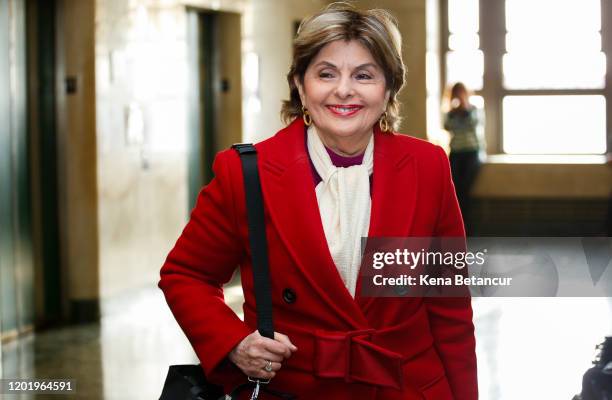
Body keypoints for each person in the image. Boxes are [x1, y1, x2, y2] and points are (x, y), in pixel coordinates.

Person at [159, 3, 478, 399]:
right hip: (295, 389)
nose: (343, 89)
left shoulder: (428, 166)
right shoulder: (245, 173)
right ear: (299, 83)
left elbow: (450, 309)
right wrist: (234, 343)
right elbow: (185, 274)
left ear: (389, 87)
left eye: (364, 75)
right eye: (326, 73)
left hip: (409, 387)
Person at [443, 82, 483, 232]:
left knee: (466, 187)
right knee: (455, 188)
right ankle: (456, 225)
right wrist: (455, 111)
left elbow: (474, 124)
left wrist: (465, 108)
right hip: (456, 152)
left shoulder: (474, 110)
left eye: (461, 92)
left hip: (471, 152)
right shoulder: (450, 113)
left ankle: (467, 225)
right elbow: (447, 126)